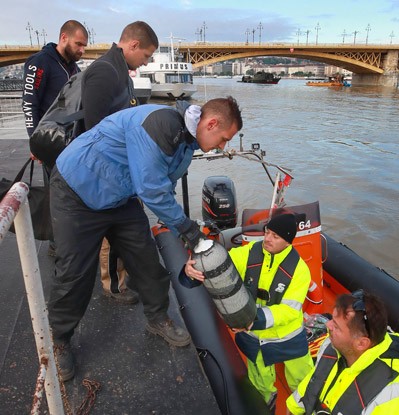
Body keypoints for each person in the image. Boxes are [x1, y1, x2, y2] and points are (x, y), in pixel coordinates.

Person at [48, 96, 243, 381]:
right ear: (211, 123)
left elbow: (166, 182)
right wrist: (189, 230)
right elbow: (151, 189)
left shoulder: (188, 143)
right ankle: (60, 339)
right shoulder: (160, 124)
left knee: (147, 260)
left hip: (120, 194)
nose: (223, 147)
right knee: (73, 272)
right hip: (77, 189)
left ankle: (157, 317)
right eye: (224, 139)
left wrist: (180, 231)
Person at [184, 213, 314, 412]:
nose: (268, 239)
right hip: (254, 336)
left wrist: (254, 320)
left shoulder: (300, 271)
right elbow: (218, 266)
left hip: (287, 336)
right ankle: (266, 407)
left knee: (302, 379)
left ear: (288, 242)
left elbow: (289, 310)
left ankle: (306, 409)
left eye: (276, 236)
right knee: (261, 381)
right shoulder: (249, 253)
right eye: (267, 232)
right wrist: (191, 271)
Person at [80, 21, 158, 304]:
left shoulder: (119, 70)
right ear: (134, 45)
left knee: (121, 228)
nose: (146, 62)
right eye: (147, 56)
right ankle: (114, 286)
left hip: (117, 164)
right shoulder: (105, 72)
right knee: (110, 233)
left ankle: (120, 277)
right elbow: (94, 130)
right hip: (104, 167)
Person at [286, 290, 399, 415]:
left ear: (362, 343)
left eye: (336, 326)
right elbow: (312, 384)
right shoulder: (332, 347)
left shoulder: (396, 397)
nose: (327, 324)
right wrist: (293, 407)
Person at [21, 20, 88, 255]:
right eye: (78, 44)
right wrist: (34, 141)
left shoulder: (73, 68)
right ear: (63, 38)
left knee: (70, 191)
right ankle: (56, 243)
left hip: (70, 142)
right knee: (55, 192)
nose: (82, 50)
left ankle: (67, 237)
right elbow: (30, 104)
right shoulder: (40, 63)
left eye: (84, 46)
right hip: (49, 141)